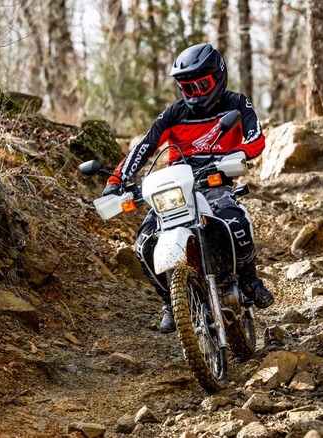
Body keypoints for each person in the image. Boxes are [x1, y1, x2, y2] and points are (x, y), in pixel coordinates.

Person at [103, 43, 274, 333]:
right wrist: (116, 180)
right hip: (176, 186)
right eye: (187, 87)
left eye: (201, 85)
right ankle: (172, 301)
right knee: (143, 244)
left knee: (237, 223)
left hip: (214, 182)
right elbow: (145, 147)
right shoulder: (173, 115)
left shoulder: (236, 104)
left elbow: (256, 137)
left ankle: (248, 280)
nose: (194, 94)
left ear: (218, 77)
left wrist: (240, 154)